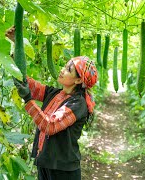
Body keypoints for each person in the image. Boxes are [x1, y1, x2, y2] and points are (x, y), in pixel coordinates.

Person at [6, 27, 98, 180]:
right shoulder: (53, 93)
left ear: (78, 80)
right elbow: (22, 79)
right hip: (45, 164)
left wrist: (28, 100)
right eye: (65, 66)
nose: (62, 70)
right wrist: (16, 44)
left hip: (63, 171)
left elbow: (50, 126)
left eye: (69, 69)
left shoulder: (78, 104)